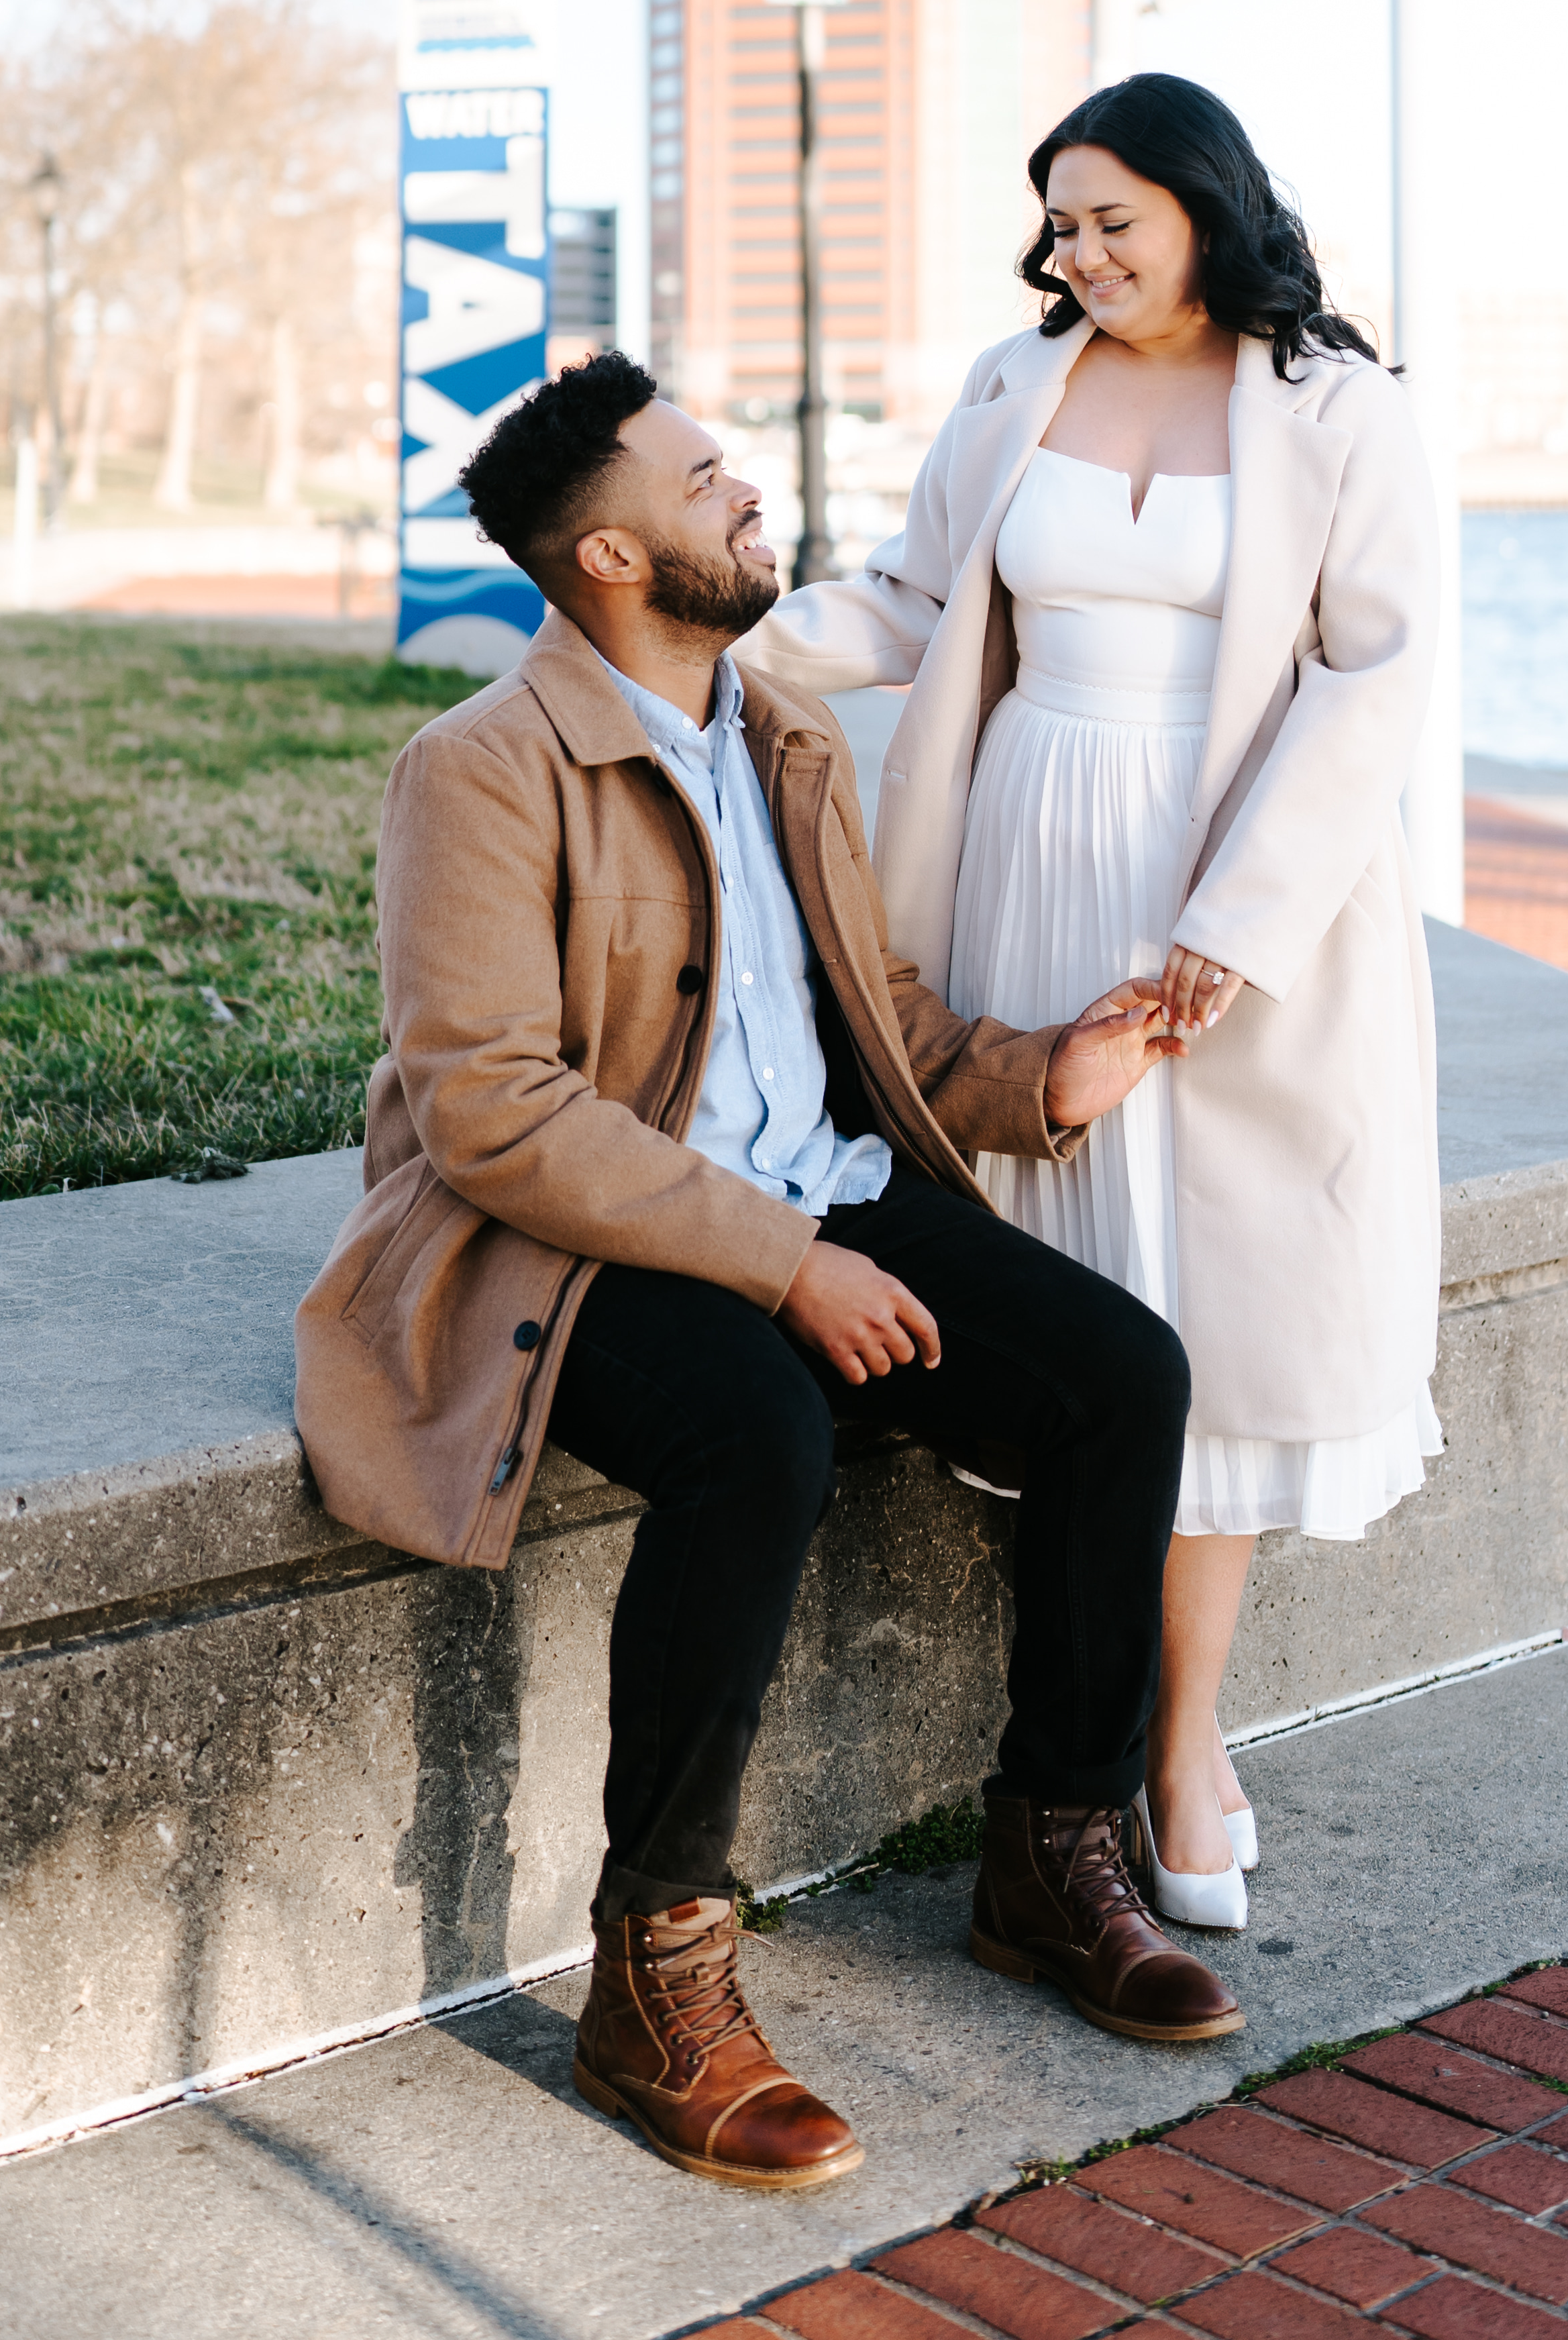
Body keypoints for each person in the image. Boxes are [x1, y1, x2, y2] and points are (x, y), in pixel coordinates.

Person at [293, 349, 1242, 2200]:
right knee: (760, 1433)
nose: (745, 493)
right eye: (701, 476)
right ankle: (657, 1968)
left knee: (1124, 1377)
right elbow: (490, 1110)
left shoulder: (785, 735)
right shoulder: (480, 768)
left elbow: (867, 1020)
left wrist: (1039, 1074)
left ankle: (1053, 1852)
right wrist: (785, 1262)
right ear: (610, 562)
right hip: (575, 1246)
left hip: (826, 1191)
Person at [745, 71, 1441, 1932]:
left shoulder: (1344, 415)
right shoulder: (1010, 387)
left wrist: (1237, 920)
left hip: (1226, 902)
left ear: (1209, 204)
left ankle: (1182, 1741)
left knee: (1220, 1306)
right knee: (1079, 1302)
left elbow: (1377, 682)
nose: (1080, 252)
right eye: (1059, 222)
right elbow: (906, 607)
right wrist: (716, 639)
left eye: (1112, 218)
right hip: (1025, 865)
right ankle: (1070, 1749)